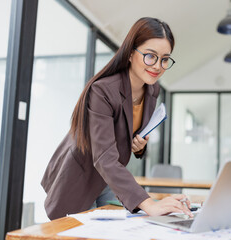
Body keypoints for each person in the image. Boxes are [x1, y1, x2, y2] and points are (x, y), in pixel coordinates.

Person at [41, 17, 193, 220]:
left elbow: (127, 131)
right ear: (131, 53)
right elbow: (104, 156)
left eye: (165, 59)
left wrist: (139, 145)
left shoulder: (152, 89)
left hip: (111, 179)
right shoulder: (102, 91)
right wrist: (149, 204)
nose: (157, 66)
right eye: (150, 56)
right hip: (80, 177)